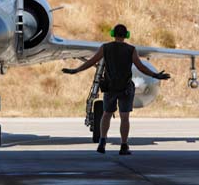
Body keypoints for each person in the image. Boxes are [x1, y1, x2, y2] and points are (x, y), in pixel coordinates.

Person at [62, 24, 170, 155]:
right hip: (125, 88)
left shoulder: (105, 48)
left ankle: (102, 142)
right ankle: (124, 146)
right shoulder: (131, 50)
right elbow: (141, 67)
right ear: (126, 35)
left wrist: (76, 70)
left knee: (106, 114)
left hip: (110, 87)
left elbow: (91, 61)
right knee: (125, 117)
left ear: (113, 34)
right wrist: (155, 75)